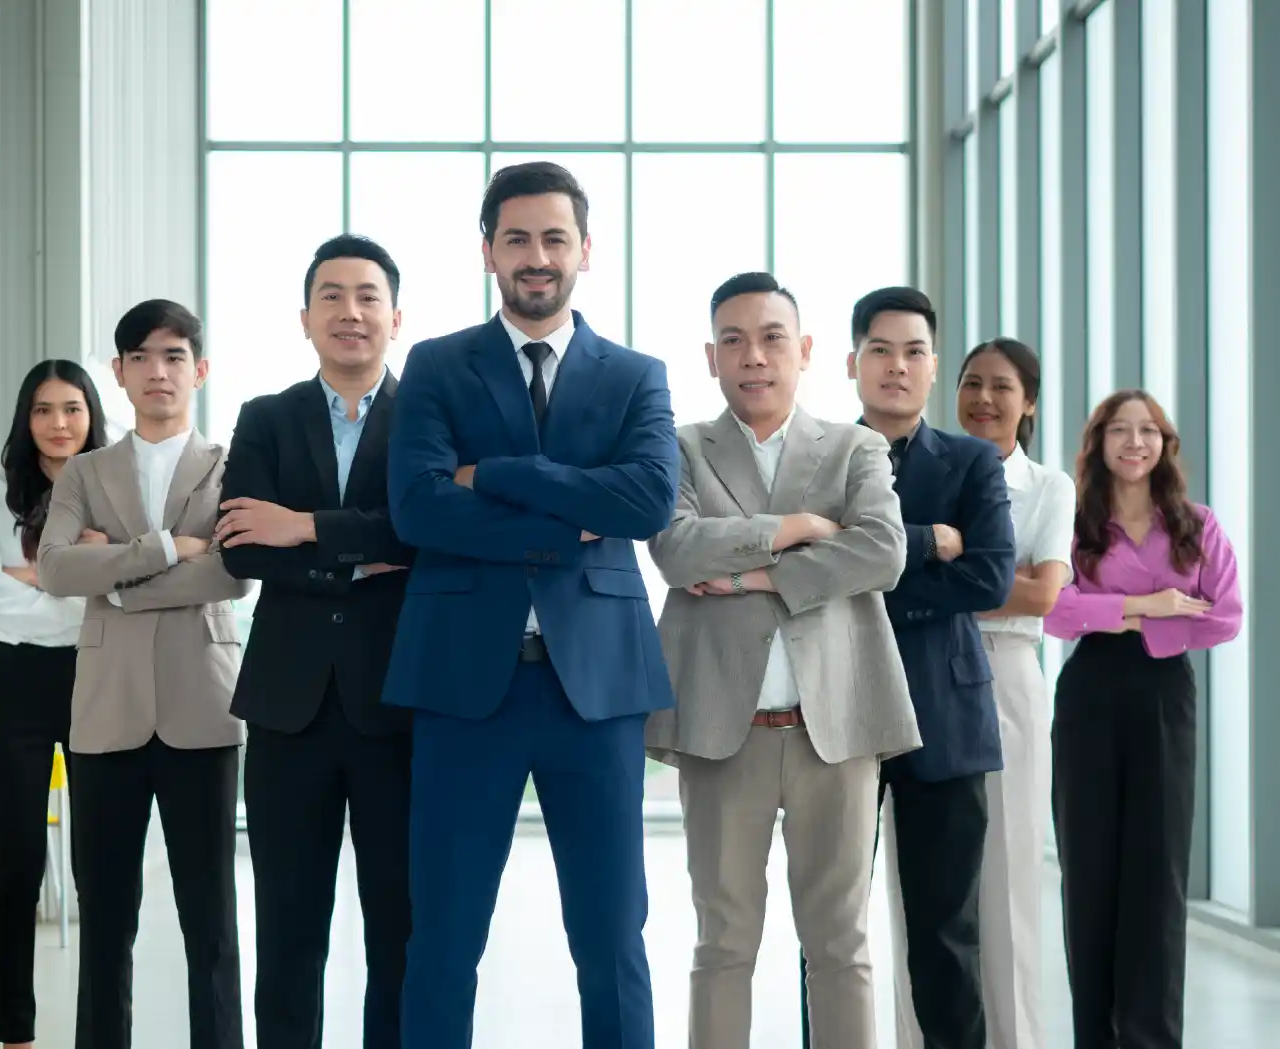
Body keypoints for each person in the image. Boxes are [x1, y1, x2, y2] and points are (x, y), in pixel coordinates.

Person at [382, 160, 679, 1048]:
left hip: (594, 687)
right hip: (462, 685)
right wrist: (566, 515)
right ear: (487, 251)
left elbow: (645, 503)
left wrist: (500, 476)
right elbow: (418, 506)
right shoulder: (436, 366)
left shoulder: (635, 374)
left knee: (609, 932)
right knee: (440, 933)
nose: (536, 255)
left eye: (554, 237)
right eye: (517, 237)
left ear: (585, 250)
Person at [648, 272, 919, 1049]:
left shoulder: (855, 446)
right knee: (722, 941)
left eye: (770, 338)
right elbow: (672, 545)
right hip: (718, 730)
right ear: (710, 356)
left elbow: (881, 550)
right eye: (732, 340)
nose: (752, 356)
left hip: (834, 727)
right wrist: (796, 526)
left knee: (838, 943)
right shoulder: (681, 446)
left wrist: (752, 574)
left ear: (802, 350)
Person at [213, 233, 417, 1049]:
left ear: (395, 317)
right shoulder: (266, 417)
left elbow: (426, 532)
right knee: (289, 927)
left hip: (397, 704)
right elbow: (238, 546)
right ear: (305, 318)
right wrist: (363, 556)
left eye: (367, 295)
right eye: (330, 295)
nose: (350, 311)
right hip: (287, 710)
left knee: (397, 927)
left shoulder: (425, 421)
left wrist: (302, 527)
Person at [36, 299, 252, 1049]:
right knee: (105, 913)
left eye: (172, 356)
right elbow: (57, 567)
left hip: (203, 705)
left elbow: (233, 573)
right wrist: (166, 547)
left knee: (210, 913)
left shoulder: (230, 465)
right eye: (141, 358)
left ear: (198, 369)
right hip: (107, 711)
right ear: (120, 373)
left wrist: (116, 572)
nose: (157, 371)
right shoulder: (87, 471)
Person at [803, 286, 1015, 1049]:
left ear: (933, 369)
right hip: (834, 717)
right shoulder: (815, 458)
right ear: (852, 362)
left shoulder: (969, 461)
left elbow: (989, 578)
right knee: (828, 934)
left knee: (947, 935)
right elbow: (808, 563)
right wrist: (926, 542)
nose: (897, 366)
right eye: (881, 350)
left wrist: (864, 569)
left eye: (914, 352)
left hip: (944, 720)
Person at [1043, 389, 1241, 1049]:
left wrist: (1119, 608)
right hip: (1088, 693)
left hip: (1162, 692)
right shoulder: (1073, 523)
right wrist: (1154, 603)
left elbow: (1222, 613)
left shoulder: (1195, 523)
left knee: (1157, 878)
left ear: (1164, 444)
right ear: (1097, 443)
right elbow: (1052, 610)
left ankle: (1152, 1038)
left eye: (1147, 431)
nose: (1134, 442)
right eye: (1119, 430)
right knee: (1088, 871)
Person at [906, 337, 1071, 1049]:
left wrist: (955, 568)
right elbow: (1005, 579)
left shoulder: (1048, 486)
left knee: (1007, 882)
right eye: (971, 382)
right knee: (922, 887)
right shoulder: (930, 470)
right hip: (925, 668)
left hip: (1006, 676)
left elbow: (1039, 595)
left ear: (1027, 401)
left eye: (1001, 386)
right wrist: (979, 574)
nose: (982, 398)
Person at [0, 359, 108, 1049]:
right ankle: (14, 1034)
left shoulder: (113, 491)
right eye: (44, 409)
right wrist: (74, 573)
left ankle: (98, 1031)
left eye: (72, 408)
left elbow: (124, 586)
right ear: (26, 417)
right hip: (14, 684)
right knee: (16, 866)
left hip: (99, 677)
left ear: (91, 414)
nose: (58, 423)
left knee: (100, 871)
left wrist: (36, 575)